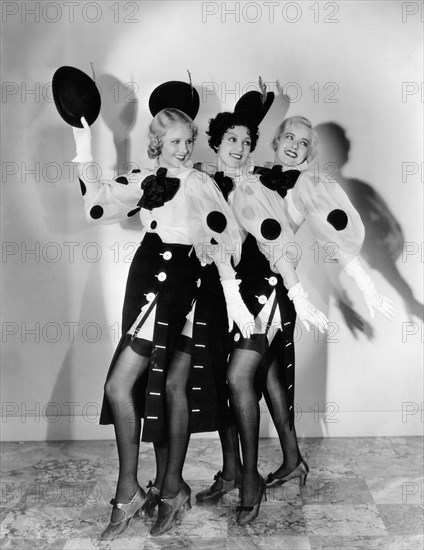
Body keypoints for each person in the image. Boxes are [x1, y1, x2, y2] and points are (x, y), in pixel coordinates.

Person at [71, 80, 253, 540]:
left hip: (181, 287)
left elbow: (229, 235)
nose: (184, 149)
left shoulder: (199, 181)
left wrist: (226, 288)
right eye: (175, 142)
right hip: (146, 280)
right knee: (129, 387)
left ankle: (163, 488)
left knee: (170, 386)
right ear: (156, 143)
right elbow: (95, 204)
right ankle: (139, 488)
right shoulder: (142, 181)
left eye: (189, 142)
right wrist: (82, 138)